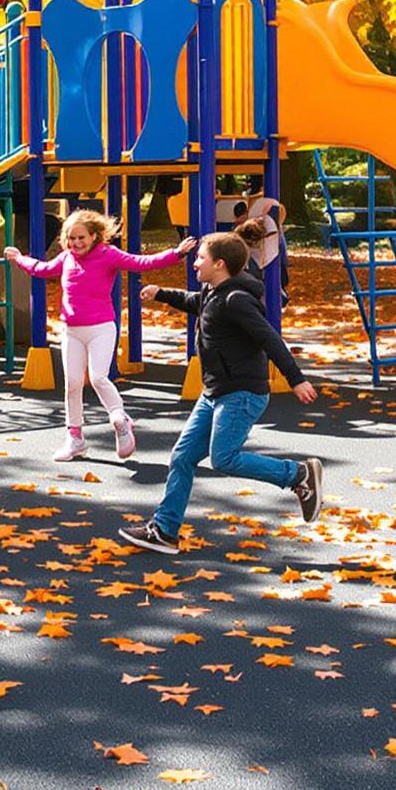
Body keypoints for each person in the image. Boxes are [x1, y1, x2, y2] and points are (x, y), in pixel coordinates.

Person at [121, 232, 324, 554]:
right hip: (214, 392)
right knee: (182, 457)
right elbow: (195, 302)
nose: (195, 262)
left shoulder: (236, 300)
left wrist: (296, 379)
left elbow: (269, 338)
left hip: (241, 393)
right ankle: (164, 530)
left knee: (224, 458)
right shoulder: (213, 291)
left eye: (201, 257)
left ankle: (297, 474)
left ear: (219, 264)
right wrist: (161, 293)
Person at [5, 210, 192, 462]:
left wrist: (176, 253)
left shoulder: (108, 255)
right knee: (72, 384)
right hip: (71, 329)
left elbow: (141, 263)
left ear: (94, 236)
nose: (76, 243)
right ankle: (75, 438)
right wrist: (19, 259)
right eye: (71, 238)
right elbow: (43, 269)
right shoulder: (67, 258)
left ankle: (120, 419)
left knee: (98, 377)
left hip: (101, 328)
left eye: (81, 237)